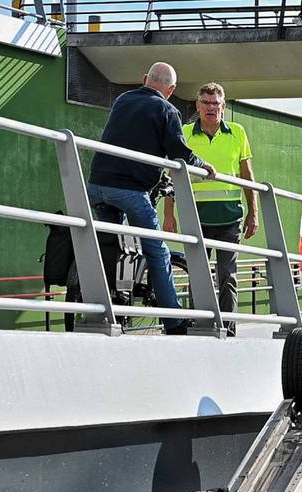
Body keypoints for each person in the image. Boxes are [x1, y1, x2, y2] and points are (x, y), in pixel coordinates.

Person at [87, 62, 215, 335]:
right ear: (171, 90)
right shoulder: (167, 109)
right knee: (157, 250)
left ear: (144, 79)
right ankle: (173, 320)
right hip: (130, 190)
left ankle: (106, 307)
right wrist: (202, 165)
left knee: (111, 246)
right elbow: (179, 152)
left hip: (97, 184)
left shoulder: (123, 100)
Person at [163, 83, 257, 337]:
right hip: (196, 219)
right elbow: (173, 175)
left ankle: (229, 330)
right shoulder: (184, 133)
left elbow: (248, 176)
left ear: (223, 107)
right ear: (198, 106)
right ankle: (201, 326)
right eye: (206, 103)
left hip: (230, 218)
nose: (211, 108)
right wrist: (168, 214)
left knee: (228, 276)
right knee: (198, 277)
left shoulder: (237, 133)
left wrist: (254, 212)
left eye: (216, 104)